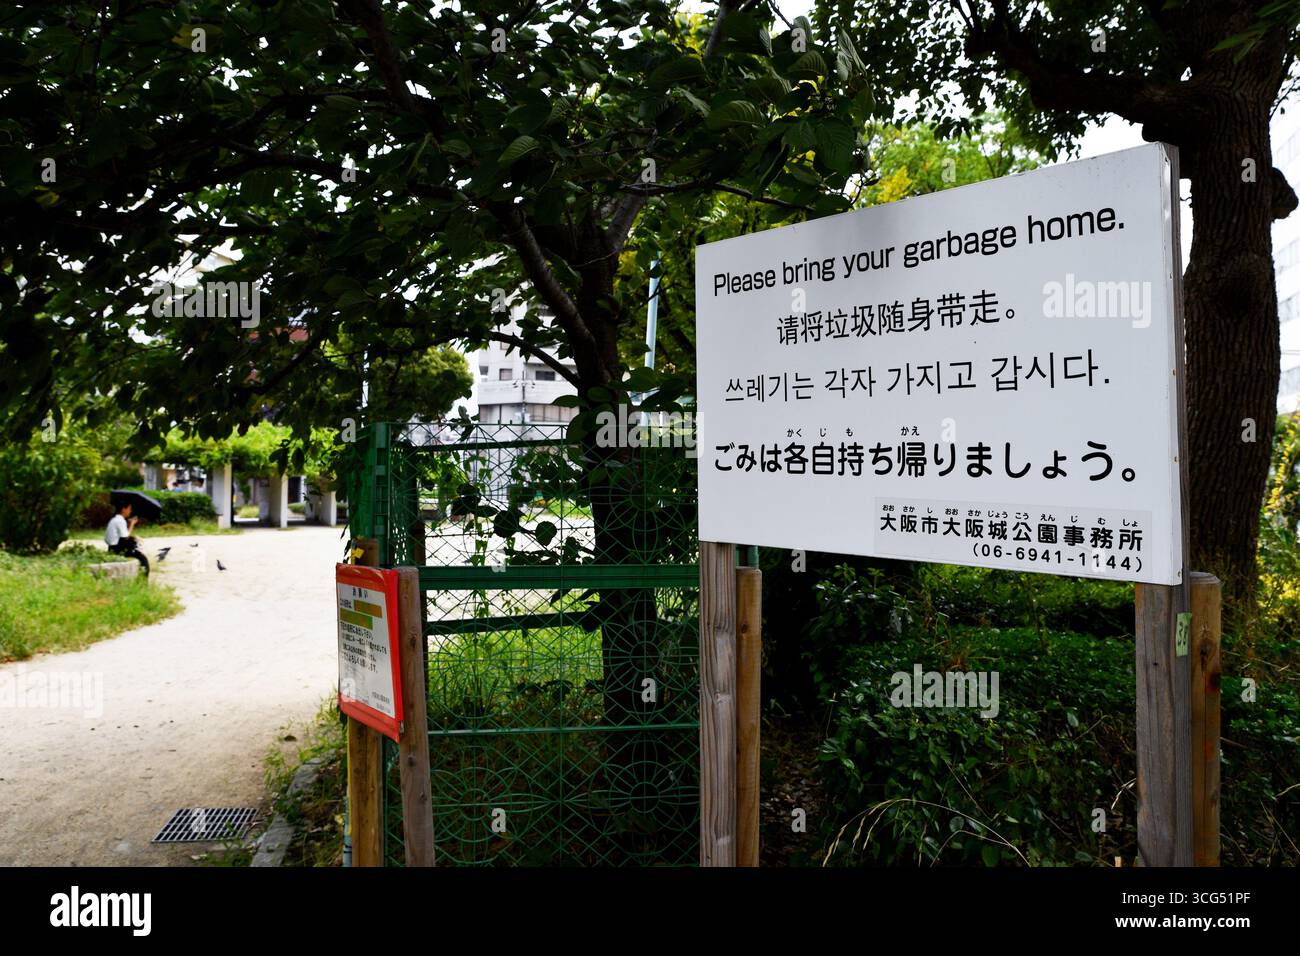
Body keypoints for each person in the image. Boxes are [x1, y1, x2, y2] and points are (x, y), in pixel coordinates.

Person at [105, 502, 149, 578]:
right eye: (129, 509)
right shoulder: (120, 521)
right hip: (118, 549)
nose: (130, 511)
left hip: (111, 547)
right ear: (123, 509)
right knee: (143, 559)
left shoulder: (115, 519)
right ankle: (143, 580)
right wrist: (132, 524)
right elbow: (126, 536)